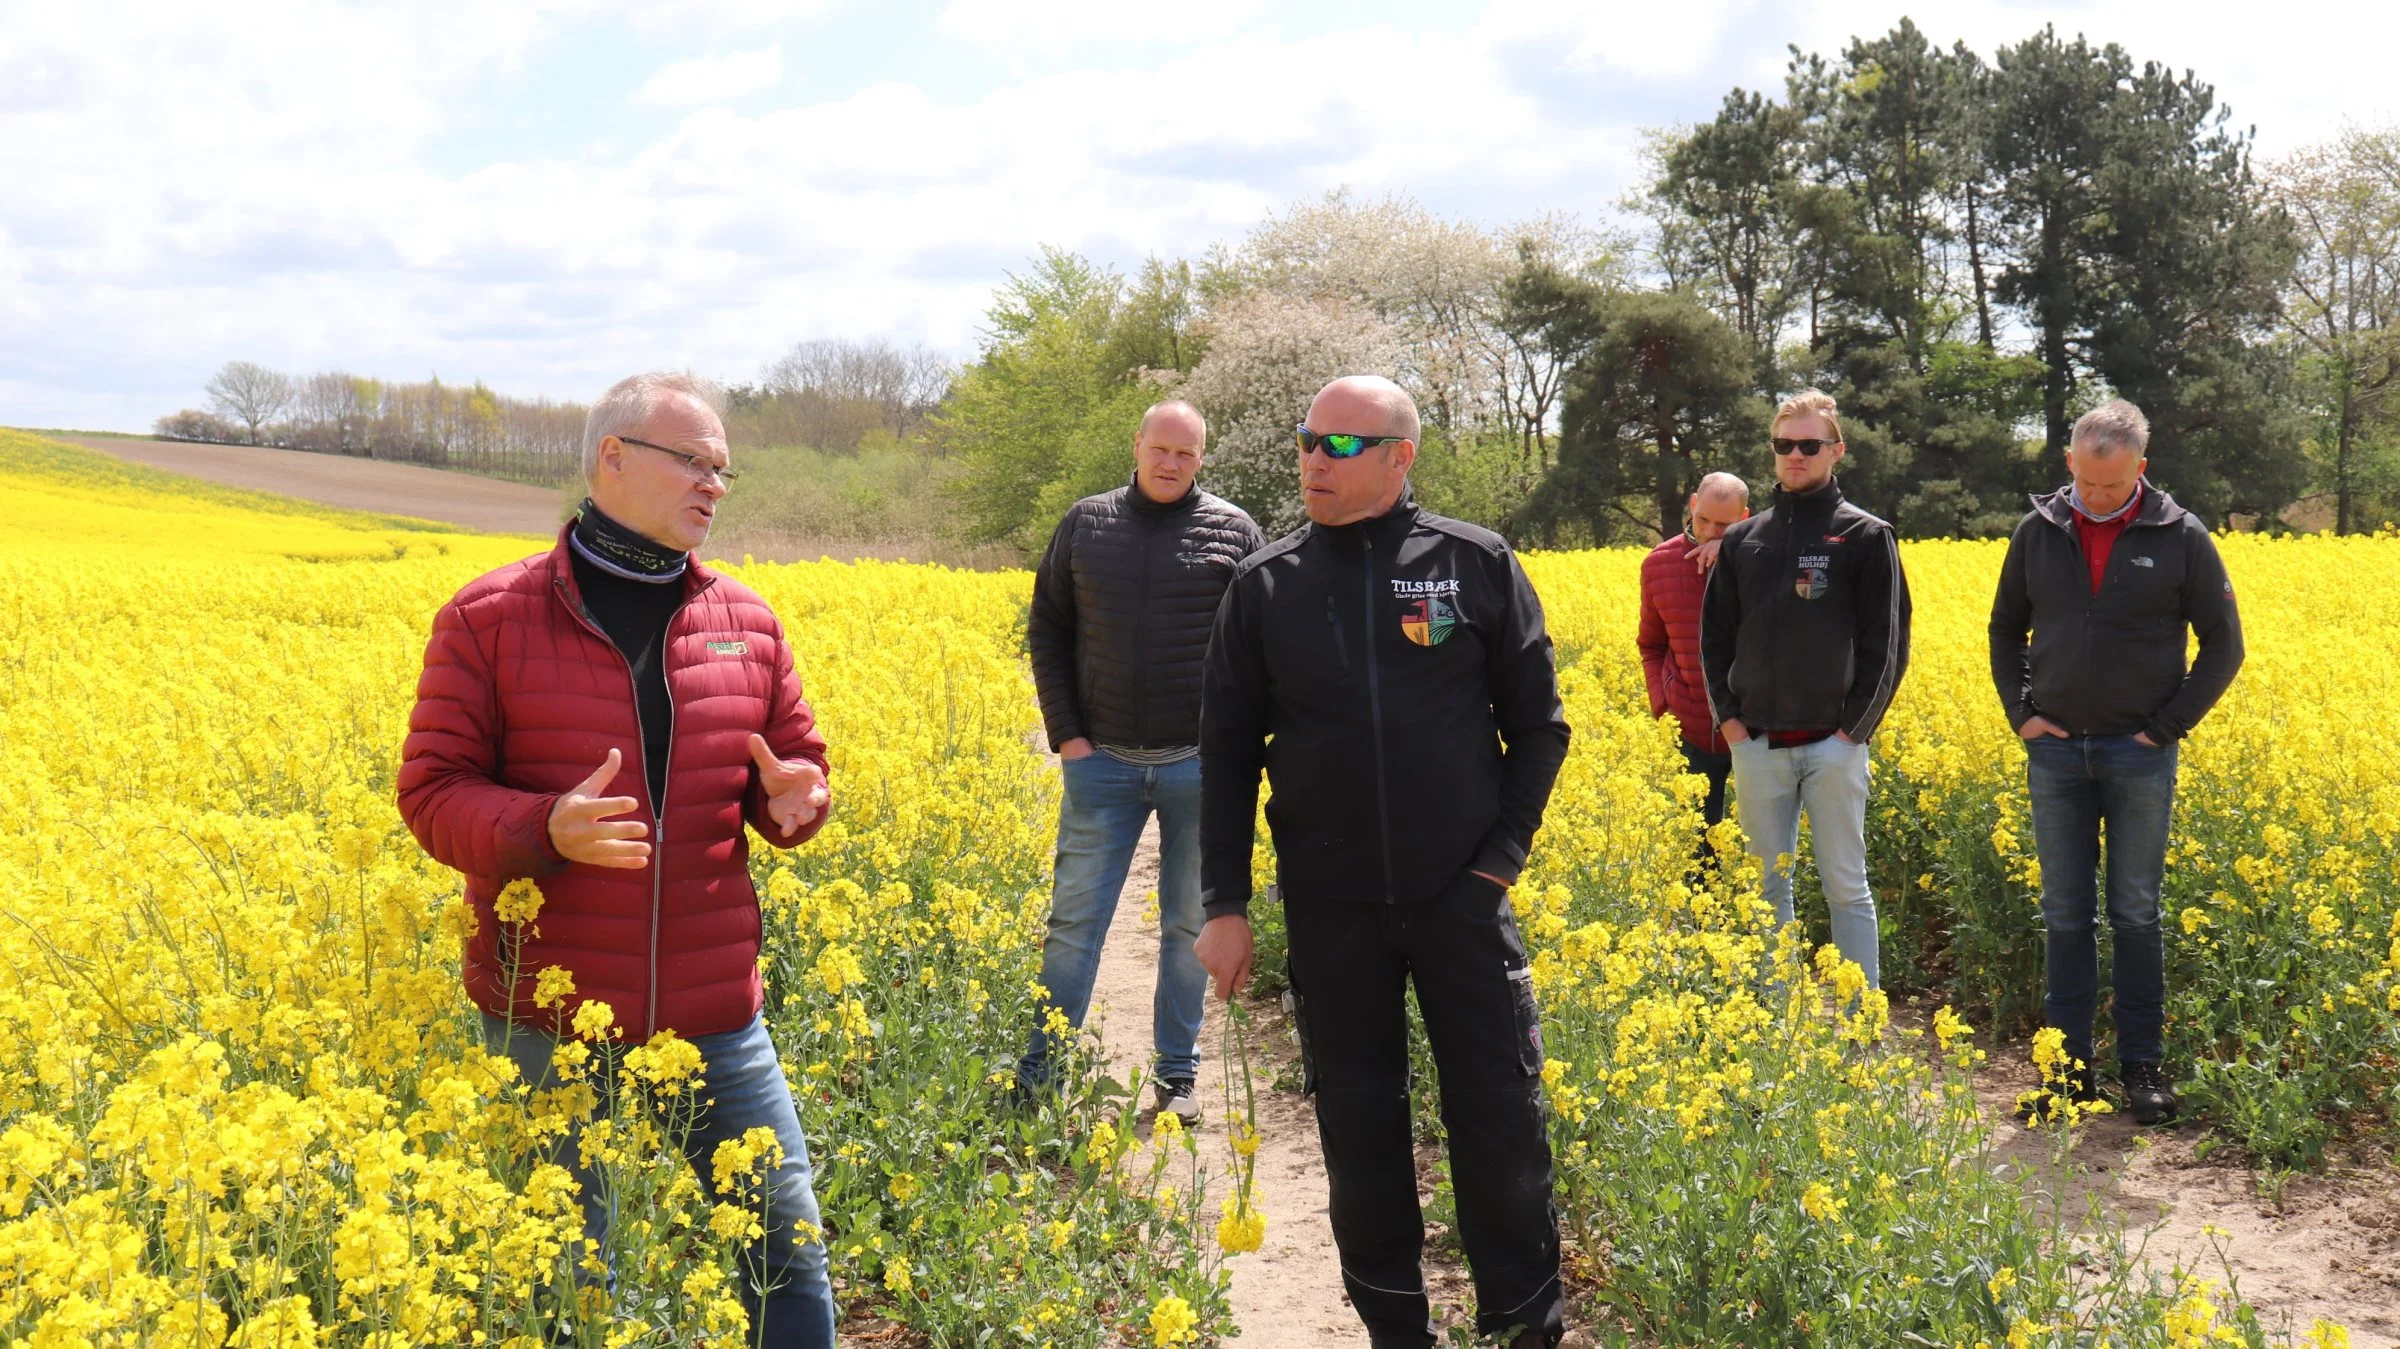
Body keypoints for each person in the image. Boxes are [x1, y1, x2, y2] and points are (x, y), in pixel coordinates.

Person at [397, 373, 837, 1346]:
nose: (715, 484)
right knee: (568, 1280)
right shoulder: (489, 617)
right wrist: (545, 827)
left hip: (714, 1007)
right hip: (546, 1010)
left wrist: (799, 800)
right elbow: (431, 794)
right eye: (694, 461)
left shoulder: (749, 622)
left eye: (724, 468)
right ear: (613, 458)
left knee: (787, 1249)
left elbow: (795, 769)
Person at [1196, 376, 1572, 1348]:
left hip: (1463, 897)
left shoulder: (1474, 563)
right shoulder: (1267, 583)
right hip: (1332, 908)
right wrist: (1225, 902)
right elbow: (1229, 752)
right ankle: (1397, 1328)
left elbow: (1539, 726)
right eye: (1307, 438)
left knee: (1499, 1110)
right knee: (1360, 1125)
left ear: (1401, 455)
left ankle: (1523, 1321)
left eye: (1340, 444)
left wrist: (1499, 860)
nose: (1313, 457)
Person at [1989, 399, 2243, 1126]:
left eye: (2113, 484)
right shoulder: (2038, 532)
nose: (2097, 498)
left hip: (2139, 753)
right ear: (2069, 462)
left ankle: (2143, 1069)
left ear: (2141, 467)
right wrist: (2023, 714)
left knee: (2135, 914)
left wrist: (2165, 729)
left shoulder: (2181, 535)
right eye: (2088, 482)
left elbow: (2224, 644)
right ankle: (2067, 1072)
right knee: (2065, 915)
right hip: (2056, 751)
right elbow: (2005, 628)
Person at [1018, 400, 1266, 1122]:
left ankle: (1176, 1076)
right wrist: (1068, 736)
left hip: (1200, 767)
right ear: (1137, 445)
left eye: (1186, 454)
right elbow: (1048, 627)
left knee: (1189, 925)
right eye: (1161, 448)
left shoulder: (1233, 530)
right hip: (1103, 762)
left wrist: (1238, 751)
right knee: (1074, 926)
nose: (1170, 463)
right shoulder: (1085, 523)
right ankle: (1039, 1077)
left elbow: (1260, 649)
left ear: (1202, 460)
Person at [1700, 389, 1910, 991]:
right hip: (1758, 742)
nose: (1795, 455)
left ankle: (1860, 1025)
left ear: (1835, 451)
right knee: (1767, 886)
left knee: (1846, 885)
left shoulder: (1867, 537)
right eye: (1784, 445)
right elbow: (1713, 639)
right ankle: (1775, 1022)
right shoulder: (1745, 540)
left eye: (1809, 445)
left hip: (1832, 745)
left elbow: (1887, 647)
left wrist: (1852, 735)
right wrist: (1732, 726)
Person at [1639, 472, 1749, 839]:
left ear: (1745, 518)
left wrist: (1735, 553)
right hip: (1689, 726)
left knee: (1761, 846)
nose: (1710, 532)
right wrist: (1663, 704)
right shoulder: (1659, 563)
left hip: (1756, 729)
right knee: (1696, 848)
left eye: (1725, 525)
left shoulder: (1762, 562)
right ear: (1692, 505)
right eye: (1703, 519)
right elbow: (1651, 644)